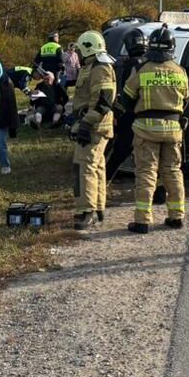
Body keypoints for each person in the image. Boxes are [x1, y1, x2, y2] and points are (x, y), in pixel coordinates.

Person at [117, 27, 189, 234]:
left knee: (146, 173)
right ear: (172, 48)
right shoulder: (180, 71)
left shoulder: (142, 69)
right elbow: (185, 101)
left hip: (146, 129)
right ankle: (176, 217)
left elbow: (127, 99)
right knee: (173, 172)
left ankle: (142, 221)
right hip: (173, 129)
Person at [70, 30, 116, 230]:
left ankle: (87, 212)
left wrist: (86, 124)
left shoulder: (100, 68)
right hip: (93, 124)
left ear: (88, 48)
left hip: (95, 126)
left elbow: (103, 100)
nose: (78, 55)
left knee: (85, 166)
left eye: (79, 50)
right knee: (96, 167)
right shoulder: (93, 66)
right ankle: (97, 209)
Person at [107, 29, 149, 175]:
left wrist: (119, 111)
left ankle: (105, 177)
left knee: (120, 150)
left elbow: (127, 92)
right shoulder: (151, 64)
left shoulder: (132, 65)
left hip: (132, 114)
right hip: (150, 115)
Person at [0, 59, 20, 174]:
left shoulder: (6, 83)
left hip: (0, 118)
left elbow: (12, 104)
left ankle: (5, 165)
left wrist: (13, 123)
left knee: (1, 144)